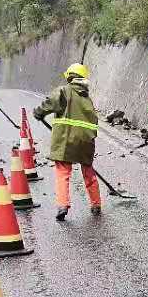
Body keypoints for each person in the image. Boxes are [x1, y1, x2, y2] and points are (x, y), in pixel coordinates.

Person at [34, 63, 101, 222]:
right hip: (86, 142)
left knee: (63, 173)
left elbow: (50, 103)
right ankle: (96, 204)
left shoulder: (64, 91)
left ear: (70, 77)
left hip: (66, 140)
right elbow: (94, 124)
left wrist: (39, 112)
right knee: (89, 173)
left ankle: (63, 205)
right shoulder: (87, 99)